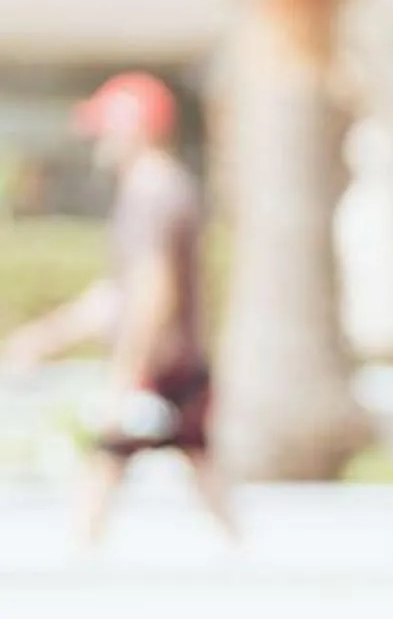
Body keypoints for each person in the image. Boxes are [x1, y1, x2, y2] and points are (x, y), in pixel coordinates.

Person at [0, 72, 234, 548]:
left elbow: (151, 295)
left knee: (106, 461)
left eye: (107, 128)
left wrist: (127, 374)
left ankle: (77, 563)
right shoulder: (158, 191)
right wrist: (44, 339)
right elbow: (117, 296)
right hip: (174, 367)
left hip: (160, 367)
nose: (99, 141)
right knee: (194, 467)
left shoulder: (154, 194)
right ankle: (246, 555)